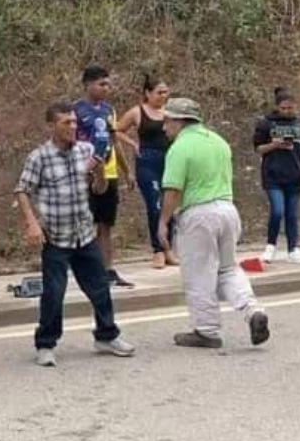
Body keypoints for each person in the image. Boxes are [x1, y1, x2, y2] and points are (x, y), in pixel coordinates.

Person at [16, 100, 136, 366]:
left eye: (74, 122)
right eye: (65, 123)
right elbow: (22, 190)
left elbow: (100, 190)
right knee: (54, 294)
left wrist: (100, 176)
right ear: (51, 126)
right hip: (56, 238)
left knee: (100, 288)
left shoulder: (87, 151)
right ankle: (46, 344)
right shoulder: (40, 157)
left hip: (84, 234)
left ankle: (106, 335)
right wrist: (32, 223)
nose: (72, 127)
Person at [158, 97, 270, 349]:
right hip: (228, 209)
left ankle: (206, 330)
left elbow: (173, 190)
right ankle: (253, 310)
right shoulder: (219, 142)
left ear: (179, 121)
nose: (164, 127)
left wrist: (163, 222)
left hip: (198, 213)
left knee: (198, 273)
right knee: (228, 269)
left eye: (167, 120)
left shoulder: (179, 147)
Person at [75, 66, 134, 288]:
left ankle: (108, 270)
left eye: (108, 84)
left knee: (106, 224)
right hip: (86, 174)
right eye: (101, 84)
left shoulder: (109, 110)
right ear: (87, 85)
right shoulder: (76, 111)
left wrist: (126, 171)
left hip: (109, 173)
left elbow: (114, 140)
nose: (106, 89)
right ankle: (87, 270)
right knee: (85, 224)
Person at [116, 75, 178, 269]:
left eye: (166, 92)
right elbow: (116, 130)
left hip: (169, 161)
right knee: (155, 206)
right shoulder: (137, 112)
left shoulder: (171, 112)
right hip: (147, 163)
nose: (163, 96)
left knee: (171, 206)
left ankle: (169, 248)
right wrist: (132, 143)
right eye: (159, 92)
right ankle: (158, 249)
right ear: (147, 93)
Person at [253, 87, 300, 265]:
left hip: (295, 174)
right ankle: (270, 246)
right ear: (277, 107)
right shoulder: (266, 124)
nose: (287, 111)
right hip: (273, 174)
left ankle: (293, 249)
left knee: (292, 214)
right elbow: (258, 148)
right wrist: (274, 145)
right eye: (284, 108)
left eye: (291, 108)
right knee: (277, 210)